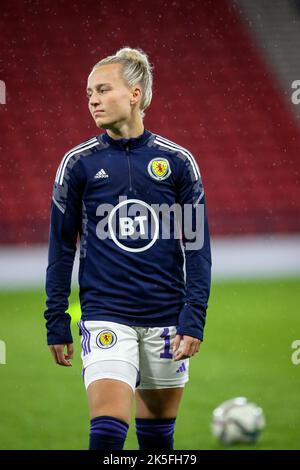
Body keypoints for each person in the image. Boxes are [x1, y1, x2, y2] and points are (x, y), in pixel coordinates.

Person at [44, 46, 211, 451]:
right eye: (89, 94)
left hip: (166, 317)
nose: (93, 100)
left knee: (157, 441)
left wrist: (194, 316)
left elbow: (197, 245)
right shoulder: (78, 163)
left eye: (102, 90)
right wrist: (55, 316)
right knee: (107, 432)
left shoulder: (177, 162)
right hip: (106, 315)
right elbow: (62, 246)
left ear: (135, 94)